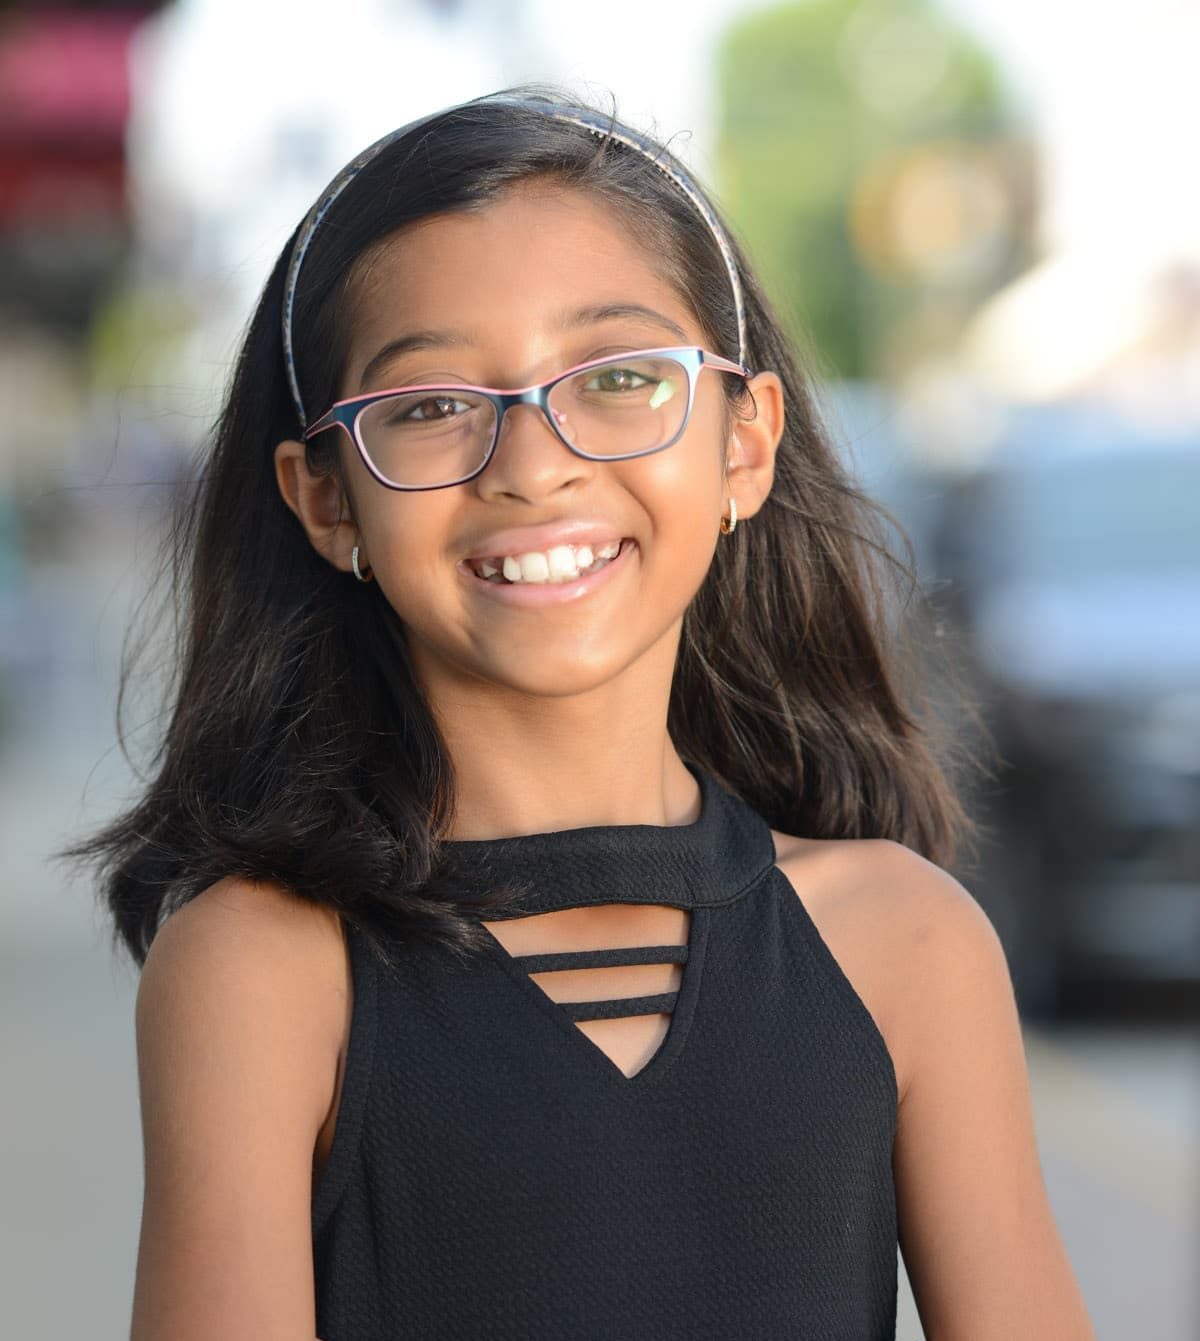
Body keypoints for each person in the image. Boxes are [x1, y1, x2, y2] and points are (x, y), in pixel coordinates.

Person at [69, 89, 1097, 1340]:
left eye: (616, 377)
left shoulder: (909, 944)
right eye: (433, 405)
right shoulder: (262, 969)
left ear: (745, 444)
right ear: (328, 502)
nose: (534, 461)